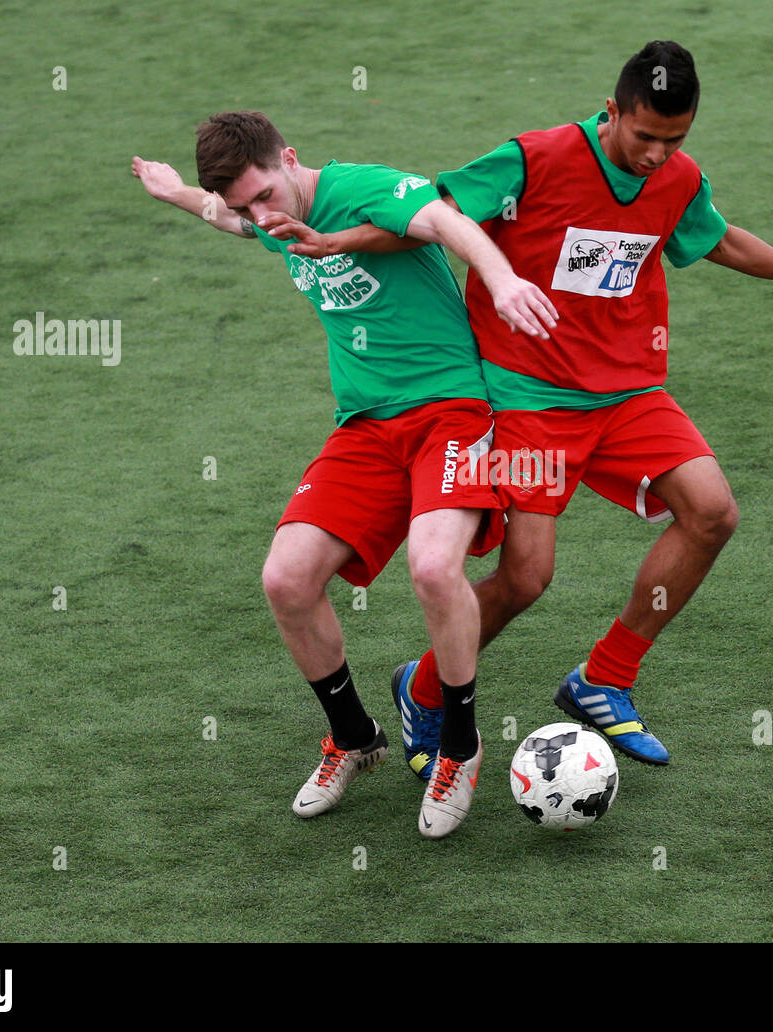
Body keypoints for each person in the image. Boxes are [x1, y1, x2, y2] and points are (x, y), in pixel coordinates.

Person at [285, 41, 773, 775]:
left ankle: (604, 677)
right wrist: (335, 241)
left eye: (676, 140)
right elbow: (430, 215)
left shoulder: (676, 177)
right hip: (529, 399)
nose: (657, 155)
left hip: (628, 391)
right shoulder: (534, 159)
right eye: (645, 137)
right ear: (613, 112)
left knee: (713, 511)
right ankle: (421, 690)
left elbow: (719, 238)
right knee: (526, 580)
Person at [131, 111, 556, 837]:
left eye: (265, 194)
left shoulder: (365, 188)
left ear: (291, 158)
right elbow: (228, 219)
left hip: (450, 411)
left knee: (432, 568)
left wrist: (501, 277)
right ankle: (354, 738)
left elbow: (446, 222)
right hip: (364, 427)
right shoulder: (265, 214)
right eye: (245, 205)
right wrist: (175, 192)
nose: (259, 215)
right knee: (285, 578)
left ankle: (458, 745)